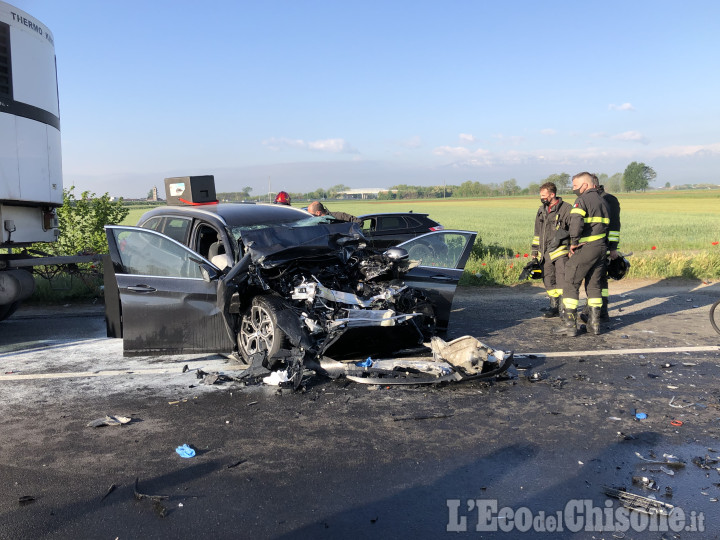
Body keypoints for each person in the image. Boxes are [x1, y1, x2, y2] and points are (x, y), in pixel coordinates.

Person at [556, 172, 610, 336]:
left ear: (585, 185)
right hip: (601, 247)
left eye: (575, 186)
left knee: (571, 282)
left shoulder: (582, 200)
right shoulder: (603, 201)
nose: (573, 189)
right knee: (594, 286)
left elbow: (576, 223)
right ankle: (594, 325)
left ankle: (569, 325)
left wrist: (573, 242)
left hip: (586, 247)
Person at [581, 174, 621, 322]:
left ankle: (598, 311)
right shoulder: (588, 199)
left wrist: (613, 248)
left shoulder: (609, 200)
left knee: (598, 280)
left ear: (592, 185)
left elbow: (615, 226)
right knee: (596, 279)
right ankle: (600, 310)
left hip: (602, 246)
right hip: (589, 246)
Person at [531, 182, 571, 318]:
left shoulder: (566, 208)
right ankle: (554, 306)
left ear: (552, 194)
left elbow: (571, 229)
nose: (541, 198)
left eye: (544, 195)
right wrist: (534, 250)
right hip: (545, 252)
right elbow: (537, 232)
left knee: (562, 280)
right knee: (548, 279)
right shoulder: (541, 210)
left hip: (560, 251)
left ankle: (563, 308)